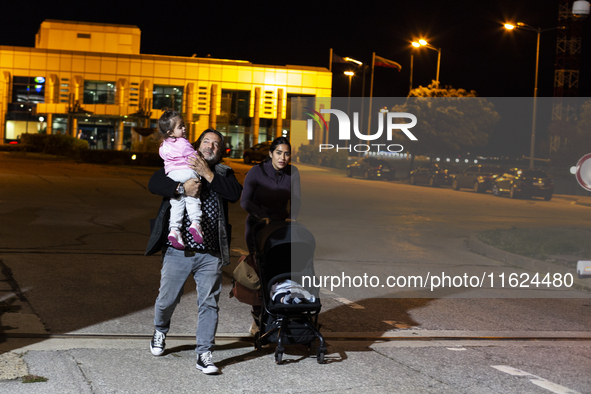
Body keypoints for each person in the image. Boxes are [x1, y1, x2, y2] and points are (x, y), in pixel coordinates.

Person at [145, 128, 242, 375]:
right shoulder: (179, 162)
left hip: (210, 253)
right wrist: (181, 189)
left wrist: (207, 173)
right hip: (179, 250)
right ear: (197, 145)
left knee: (209, 303)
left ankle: (204, 354)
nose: (211, 146)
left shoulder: (223, 172)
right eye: (207, 141)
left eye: (216, 144)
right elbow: (154, 182)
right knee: (167, 300)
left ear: (220, 151)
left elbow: (234, 194)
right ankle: (160, 330)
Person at [240, 137, 301, 334]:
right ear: (270, 153)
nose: (283, 157)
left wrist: (292, 217)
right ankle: (258, 319)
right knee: (260, 273)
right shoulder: (257, 172)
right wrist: (262, 215)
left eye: (287, 153)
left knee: (281, 272)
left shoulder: (293, 173)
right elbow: (245, 201)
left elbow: (297, 200)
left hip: (281, 228)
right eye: (279, 153)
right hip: (258, 226)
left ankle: (281, 314)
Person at [157, 109, 203, 249]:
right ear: (170, 132)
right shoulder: (182, 143)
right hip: (187, 172)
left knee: (176, 203)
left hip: (173, 176)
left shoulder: (163, 146)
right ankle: (195, 222)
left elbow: (164, 158)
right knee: (192, 198)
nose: (184, 128)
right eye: (180, 126)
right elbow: (193, 157)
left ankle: (174, 230)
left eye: (183, 125)